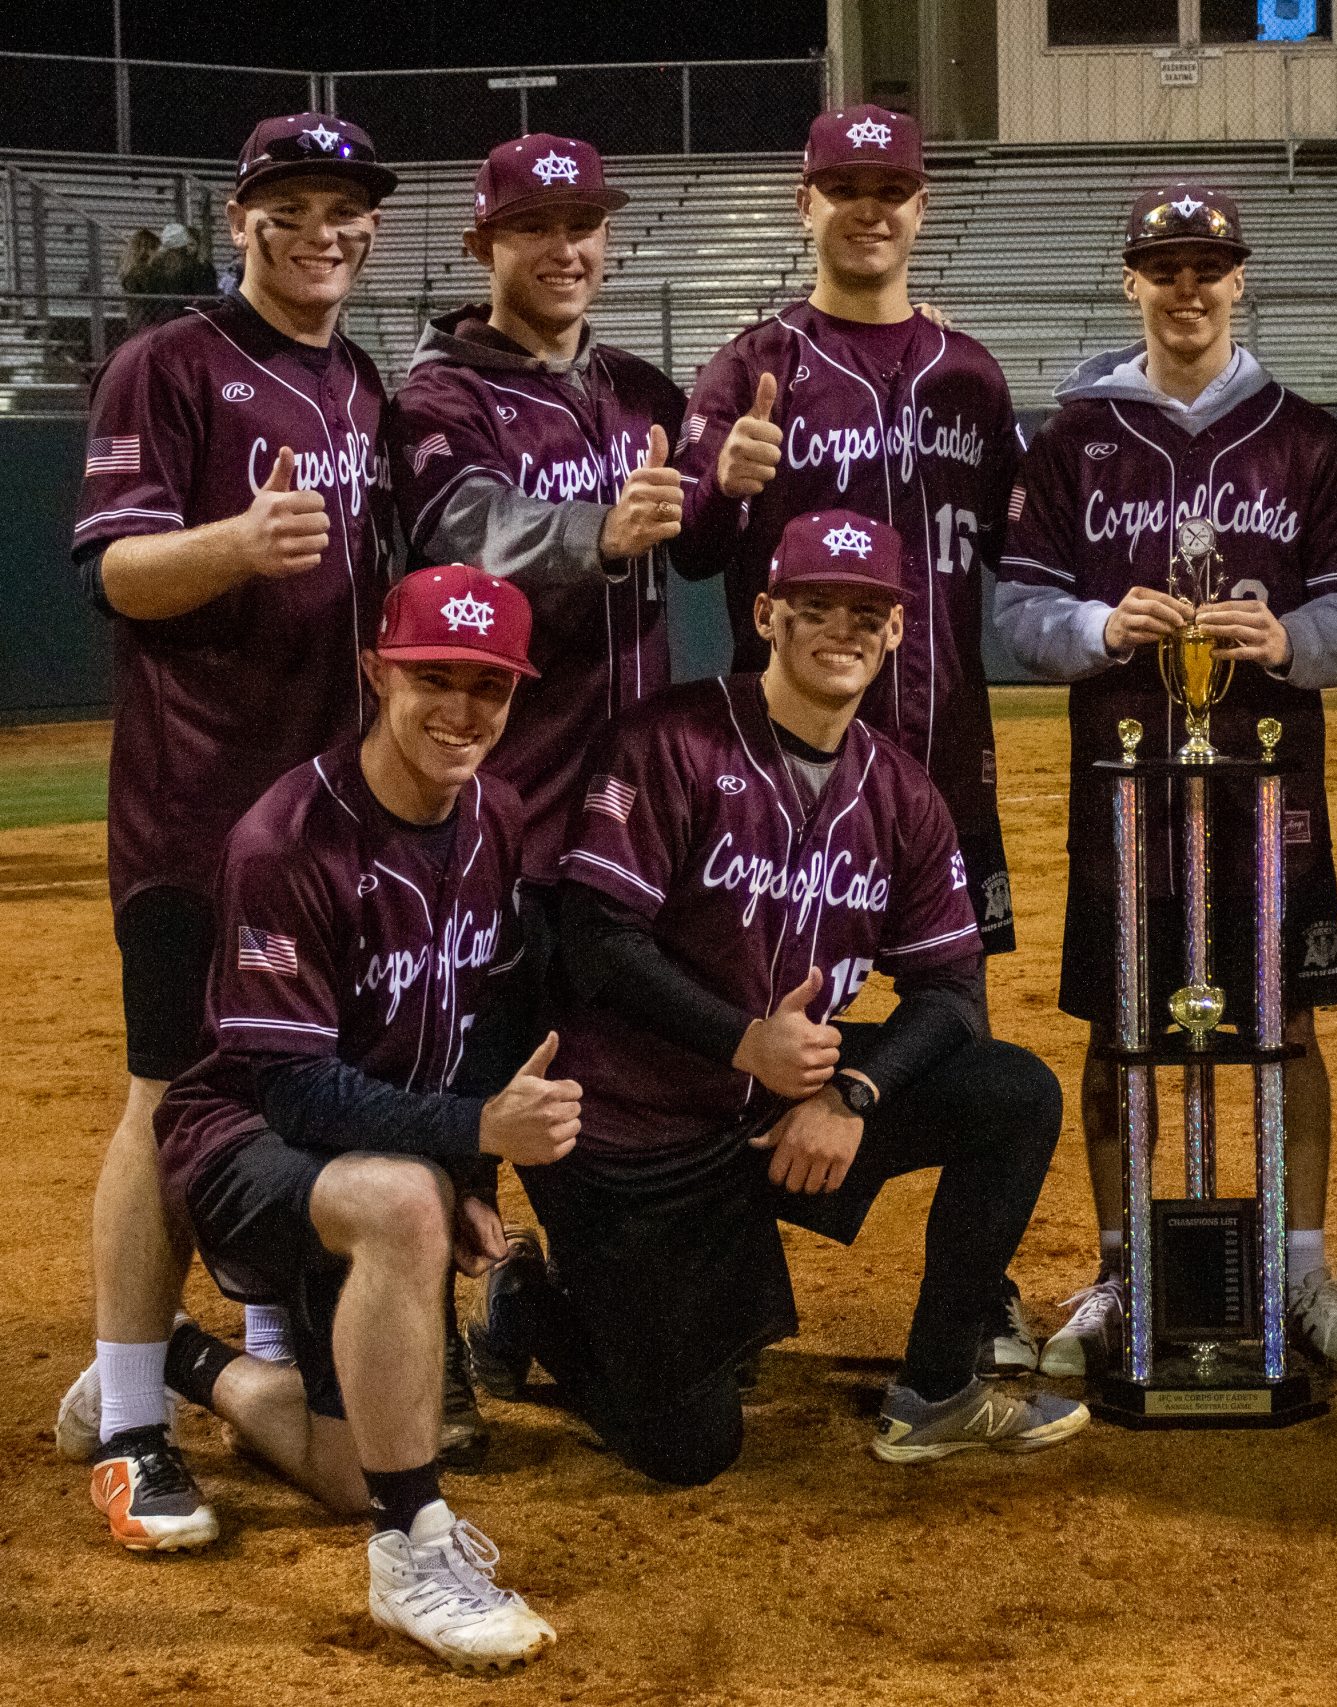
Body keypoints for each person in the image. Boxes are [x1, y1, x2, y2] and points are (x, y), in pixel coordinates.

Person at [471, 508, 1085, 1484]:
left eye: (865, 611)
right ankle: (537, 1307)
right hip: (629, 1132)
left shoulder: (901, 793)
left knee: (1011, 1091)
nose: (841, 629)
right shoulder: (669, 741)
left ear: (895, 630)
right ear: (765, 614)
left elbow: (953, 992)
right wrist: (743, 1042)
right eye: (815, 607)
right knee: (689, 1448)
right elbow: (596, 944)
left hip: (773, 1115)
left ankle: (935, 1393)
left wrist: (853, 1095)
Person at [53, 112, 398, 1555]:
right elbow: (122, 574)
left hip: (327, 825)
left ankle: (256, 1347)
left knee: (290, 1091)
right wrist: (234, 547)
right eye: (292, 206)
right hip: (198, 817)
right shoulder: (171, 364)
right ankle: (132, 1416)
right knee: (164, 1095)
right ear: (243, 218)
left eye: (345, 206)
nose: (324, 229)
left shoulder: (364, 381)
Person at [992, 181, 1337, 1382]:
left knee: (1293, 1025)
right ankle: (1122, 1275)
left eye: (1206, 268)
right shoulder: (1073, 440)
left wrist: (1288, 642)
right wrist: (1102, 623)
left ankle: (1303, 1270)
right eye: (1162, 268)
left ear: (1237, 280)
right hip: (1128, 798)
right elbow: (1017, 612)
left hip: (1271, 798)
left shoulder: (1306, 435)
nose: (1186, 288)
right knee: (1120, 1037)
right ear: (1130, 283)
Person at [146, 564, 561, 1670]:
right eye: (434, 677)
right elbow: (292, 1088)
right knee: (400, 1202)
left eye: (490, 686)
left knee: (344, 1464)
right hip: (243, 1141)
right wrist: (469, 1144)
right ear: (376, 671)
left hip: (378, 1147)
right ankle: (414, 1550)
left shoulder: (496, 817)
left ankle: (182, 1364)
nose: (462, 711)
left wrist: (474, 1179)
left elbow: (475, 1025)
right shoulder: (284, 840)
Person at [383, 134, 687, 1458]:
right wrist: (594, 530)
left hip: (631, 819)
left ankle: (544, 1301)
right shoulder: (442, 395)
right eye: (536, 229)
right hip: (505, 806)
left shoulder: (632, 388)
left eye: (585, 226)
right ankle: (430, 1341)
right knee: (466, 1064)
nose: (566, 248)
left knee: (615, 1073)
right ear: (484, 249)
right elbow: (463, 529)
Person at [675, 107, 1019, 985]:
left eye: (892, 191)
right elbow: (692, 554)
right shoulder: (754, 367)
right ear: (805, 204)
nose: (870, 210)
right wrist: (723, 484)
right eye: (844, 190)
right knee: (772, 995)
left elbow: (1023, 543)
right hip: (792, 767)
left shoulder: (971, 374)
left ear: (921, 209)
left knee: (954, 1008)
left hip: (946, 753)